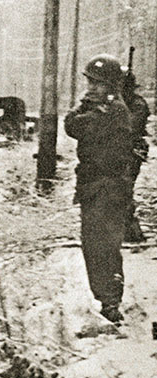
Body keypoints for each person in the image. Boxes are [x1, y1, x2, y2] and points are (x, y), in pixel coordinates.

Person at [64, 54, 133, 325]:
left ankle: (111, 303)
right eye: (90, 82)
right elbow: (70, 124)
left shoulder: (113, 111)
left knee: (104, 245)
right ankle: (106, 301)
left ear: (113, 86)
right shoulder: (97, 107)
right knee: (93, 245)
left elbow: (78, 126)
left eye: (99, 84)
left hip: (109, 187)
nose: (92, 88)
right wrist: (85, 104)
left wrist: (85, 107)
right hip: (94, 186)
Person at [121, 68, 150, 243]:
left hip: (132, 151)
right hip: (115, 151)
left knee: (124, 188)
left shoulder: (138, 104)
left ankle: (132, 233)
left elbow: (130, 127)